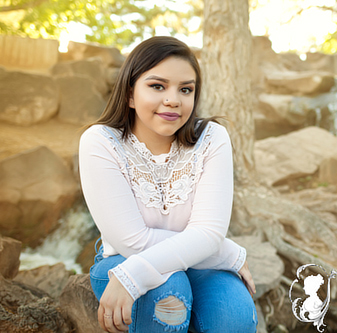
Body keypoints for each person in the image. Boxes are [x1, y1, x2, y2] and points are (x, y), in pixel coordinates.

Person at [79, 36, 257, 333]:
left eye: (185, 89)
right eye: (157, 86)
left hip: (200, 265)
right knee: (169, 295)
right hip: (124, 259)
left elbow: (209, 231)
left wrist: (210, 241)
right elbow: (132, 241)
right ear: (130, 95)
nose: (174, 99)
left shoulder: (211, 138)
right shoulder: (101, 142)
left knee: (233, 317)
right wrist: (226, 253)